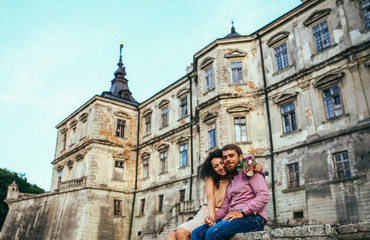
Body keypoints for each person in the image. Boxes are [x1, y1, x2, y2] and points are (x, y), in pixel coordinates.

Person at [167, 148, 263, 240]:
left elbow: (243, 164)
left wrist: (257, 166)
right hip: (209, 210)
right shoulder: (212, 177)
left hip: (221, 211)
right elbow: (210, 197)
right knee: (171, 236)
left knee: (182, 232)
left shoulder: (234, 175)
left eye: (222, 163)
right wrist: (212, 217)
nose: (220, 167)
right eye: (216, 166)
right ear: (212, 169)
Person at [191, 144, 270, 240]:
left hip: (253, 218)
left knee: (213, 233)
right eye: (225, 157)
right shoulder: (231, 180)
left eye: (231, 156)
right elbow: (225, 208)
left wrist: (242, 212)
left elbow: (264, 196)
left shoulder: (251, 170)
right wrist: (212, 218)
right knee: (197, 233)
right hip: (233, 219)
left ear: (240, 157)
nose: (228, 159)